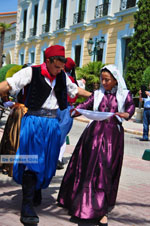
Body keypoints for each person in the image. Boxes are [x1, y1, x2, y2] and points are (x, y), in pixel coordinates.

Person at [0, 45, 91, 225]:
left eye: (61, 67)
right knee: (32, 161)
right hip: (33, 121)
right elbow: (8, 84)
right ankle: (26, 205)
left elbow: (76, 91)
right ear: (47, 61)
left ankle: (36, 189)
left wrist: (98, 97)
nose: (59, 70)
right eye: (56, 67)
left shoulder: (62, 76)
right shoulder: (30, 72)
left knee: (48, 162)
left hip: (52, 124)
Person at [57, 64, 135, 226]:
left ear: (115, 80)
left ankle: (101, 210)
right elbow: (85, 105)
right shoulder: (97, 94)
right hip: (93, 135)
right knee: (87, 168)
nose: (104, 82)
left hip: (113, 137)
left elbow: (130, 108)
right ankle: (80, 205)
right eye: (102, 79)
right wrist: (76, 110)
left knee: (105, 171)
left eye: (107, 80)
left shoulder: (125, 95)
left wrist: (126, 114)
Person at [57, 57, 90, 170]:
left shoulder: (58, 76)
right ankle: (58, 158)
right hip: (68, 109)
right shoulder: (71, 79)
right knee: (62, 136)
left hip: (56, 108)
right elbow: (76, 93)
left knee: (55, 134)